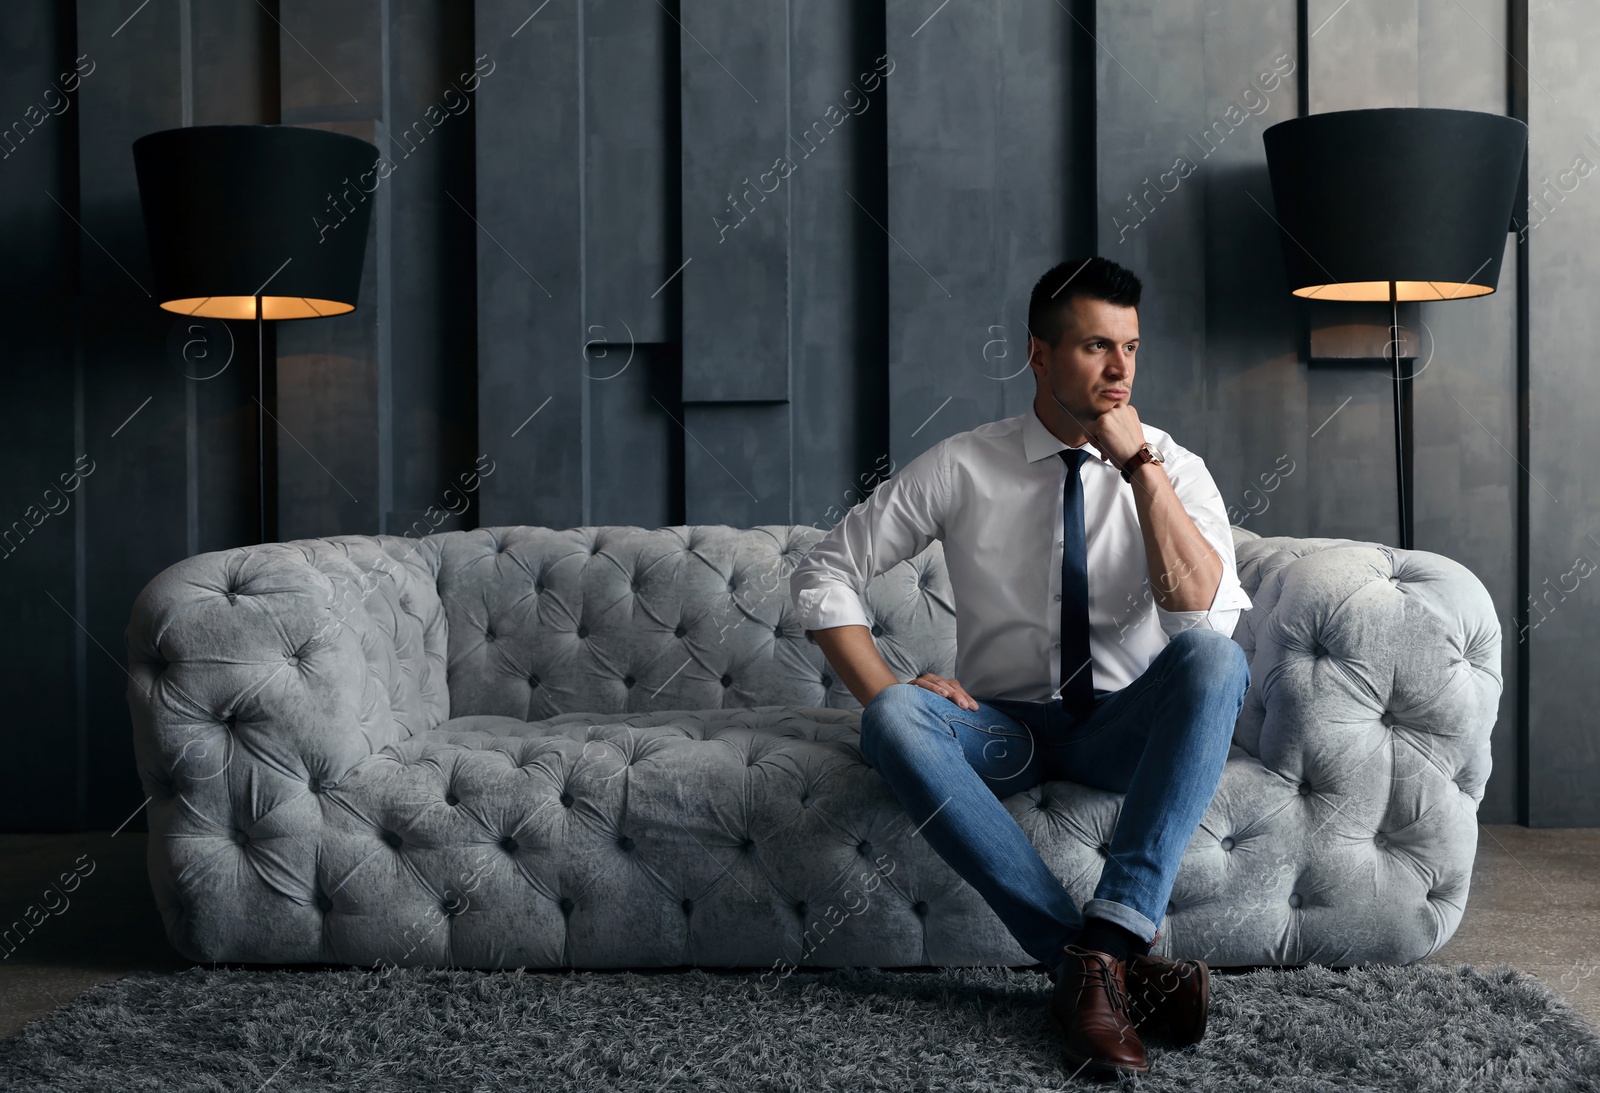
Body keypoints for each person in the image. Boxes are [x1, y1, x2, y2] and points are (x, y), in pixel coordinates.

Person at [789, 256, 1252, 1078]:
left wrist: (1137, 465)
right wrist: (889, 684)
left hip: (1119, 729)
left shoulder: (1171, 465)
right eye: (1095, 347)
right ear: (1039, 355)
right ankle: (1091, 971)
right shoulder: (966, 464)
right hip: (1005, 733)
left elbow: (1198, 619)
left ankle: (1103, 946)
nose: (1119, 371)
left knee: (1217, 660)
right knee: (893, 717)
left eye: (1132, 348)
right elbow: (825, 570)